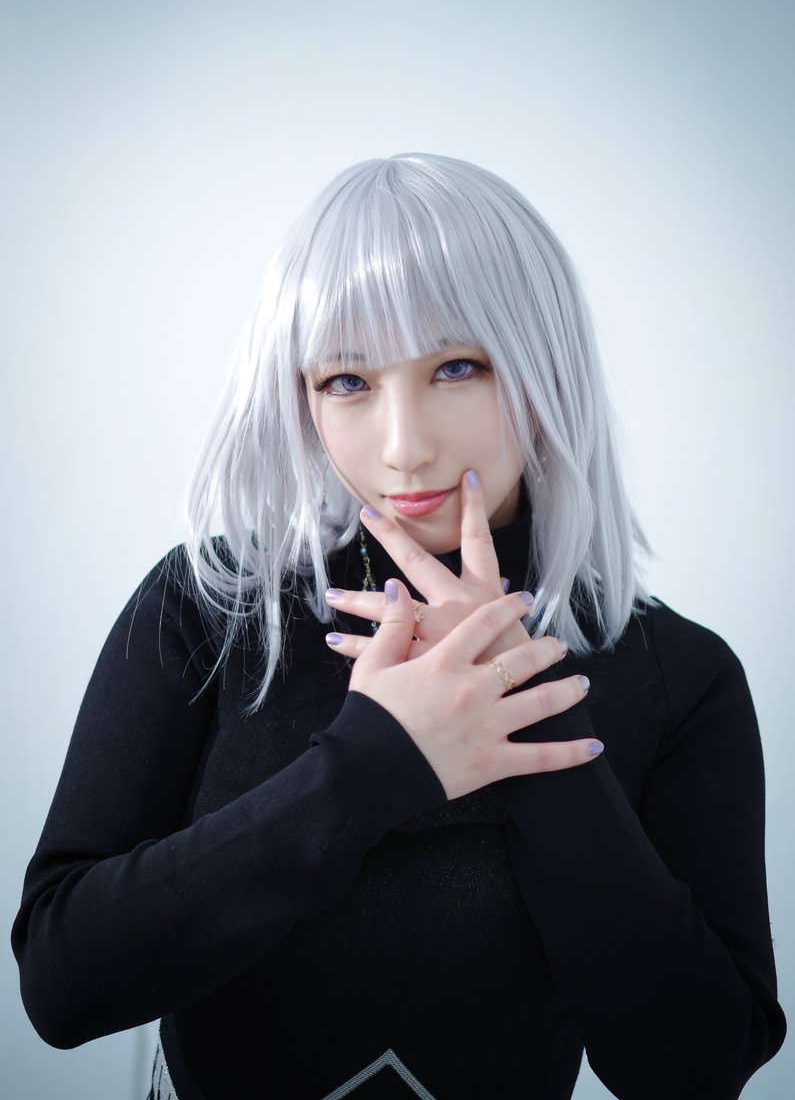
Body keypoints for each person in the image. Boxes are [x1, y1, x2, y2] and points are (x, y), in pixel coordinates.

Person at [12, 153, 786, 1100]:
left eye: (457, 367)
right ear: (299, 395)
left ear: (545, 364)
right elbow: (62, 983)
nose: (403, 445)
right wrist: (371, 766)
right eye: (347, 380)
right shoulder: (210, 604)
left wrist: (533, 728)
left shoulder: (677, 673)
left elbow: (698, 1066)